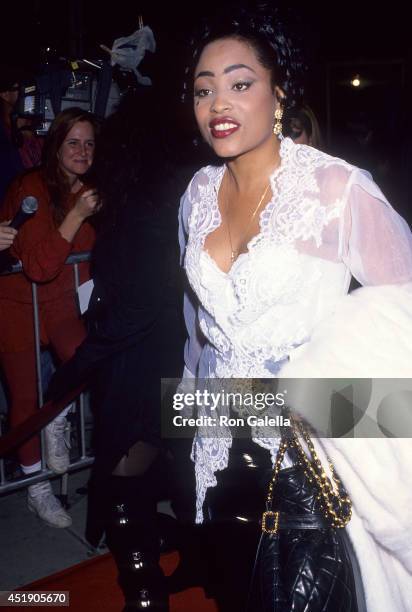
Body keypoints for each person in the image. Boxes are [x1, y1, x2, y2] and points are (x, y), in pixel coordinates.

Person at [178, 3, 412, 611]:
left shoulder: (337, 188)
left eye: (239, 84)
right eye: (204, 91)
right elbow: (199, 334)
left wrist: (372, 434)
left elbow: (402, 316)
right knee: (235, 589)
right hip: (219, 442)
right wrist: (187, 421)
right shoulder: (197, 194)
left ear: (278, 95)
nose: (218, 104)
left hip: (313, 450)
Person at [48, 87, 191, 611]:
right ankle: (193, 555)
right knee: (175, 470)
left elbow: (136, 308)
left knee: (124, 486)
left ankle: (147, 596)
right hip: (178, 358)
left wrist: (75, 367)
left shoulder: (143, 213)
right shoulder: (177, 197)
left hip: (146, 367)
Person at [0, 107, 99, 528]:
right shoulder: (32, 187)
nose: (82, 150)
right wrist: (76, 215)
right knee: (24, 402)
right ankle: (35, 489)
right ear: (55, 145)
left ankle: (56, 421)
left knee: (88, 364)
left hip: (59, 304)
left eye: (90, 143)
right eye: (73, 142)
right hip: (17, 306)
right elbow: (38, 267)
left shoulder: (91, 189)